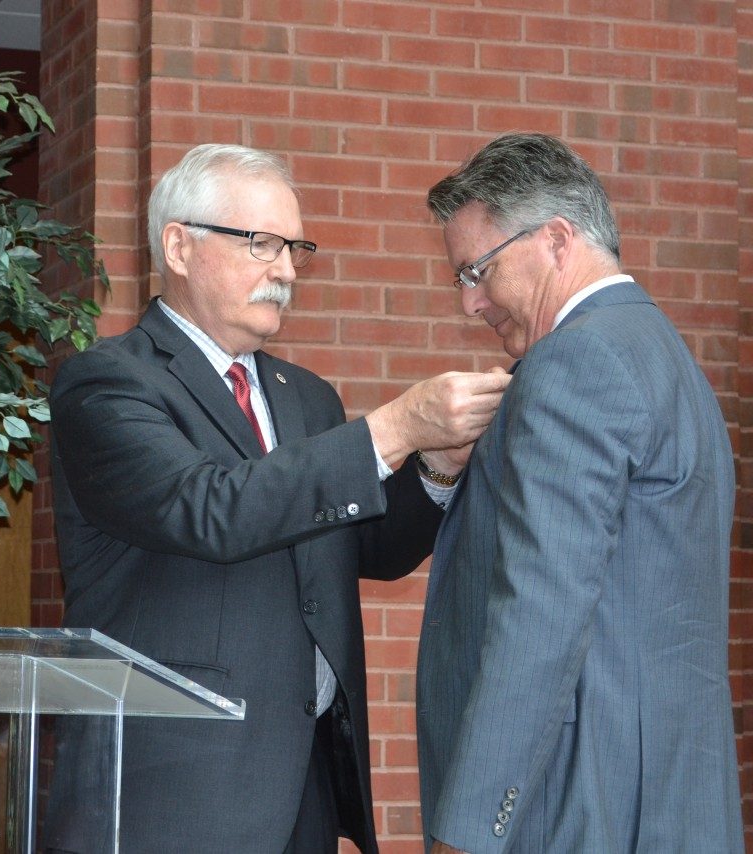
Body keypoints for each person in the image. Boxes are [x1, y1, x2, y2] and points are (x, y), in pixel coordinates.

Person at [43, 144, 511, 854]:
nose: (288, 270)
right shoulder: (108, 385)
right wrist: (392, 428)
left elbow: (367, 549)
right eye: (262, 243)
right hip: (169, 792)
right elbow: (207, 509)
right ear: (179, 245)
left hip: (303, 784)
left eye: (295, 248)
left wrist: (436, 467)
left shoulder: (308, 397)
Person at [416, 133, 742, 852]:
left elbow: (541, 608)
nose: (471, 302)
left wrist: (470, 829)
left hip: (578, 805)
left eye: (478, 270)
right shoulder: (662, 355)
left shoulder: (576, 360)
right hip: (667, 800)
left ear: (557, 240)